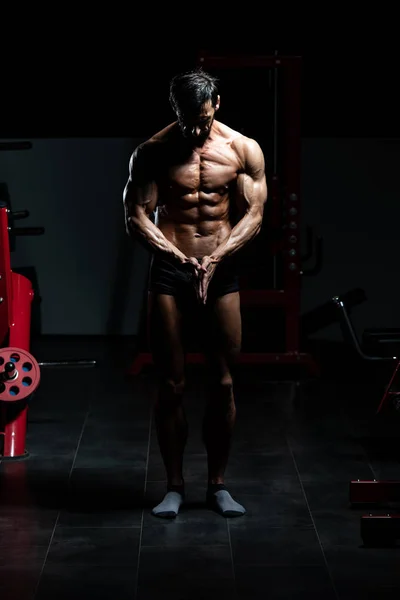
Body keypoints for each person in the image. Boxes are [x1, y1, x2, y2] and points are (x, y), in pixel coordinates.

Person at [123, 68, 268, 519]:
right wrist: (178, 257)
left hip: (220, 271)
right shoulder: (151, 152)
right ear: (176, 110)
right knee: (171, 384)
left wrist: (218, 256)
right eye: (187, 119)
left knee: (223, 382)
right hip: (171, 271)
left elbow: (255, 214)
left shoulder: (242, 149)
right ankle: (173, 486)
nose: (195, 129)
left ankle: (218, 485)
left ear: (217, 105)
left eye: (202, 118)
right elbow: (136, 216)